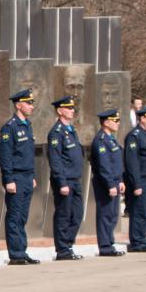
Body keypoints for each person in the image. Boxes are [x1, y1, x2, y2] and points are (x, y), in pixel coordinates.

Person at [0, 88, 40, 265]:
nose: (31, 106)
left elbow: (28, 154)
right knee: (14, 216)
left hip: (26, 176)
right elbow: (5, 155)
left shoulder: (27, 125)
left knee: (22, 216)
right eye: (28, 103)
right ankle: (15, 253)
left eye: (32, 103)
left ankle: (21, 250)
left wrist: (32, 175)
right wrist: (8, 179)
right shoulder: (10, 127)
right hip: (15, 177)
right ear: (18, 105)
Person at [47, 95, 84, 261]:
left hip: (75, 180)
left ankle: (68, 244)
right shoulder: (56, 133)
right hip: (65, 181)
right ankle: (62, 249)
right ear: (60, 110)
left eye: (73, 108)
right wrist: (61, 182)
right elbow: (55, 160)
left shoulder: (71, 131)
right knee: (64, 214)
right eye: (68, 108)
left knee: (77, 214)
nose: (72, 110)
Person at [124, 105, 146, 252]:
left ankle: (142, 239)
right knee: (138, 212)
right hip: (141, 180)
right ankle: (137, 242)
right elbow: (132, 163)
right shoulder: (135, 136)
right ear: (143, 118)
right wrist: (136, 184)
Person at [91, 109, 125, 256]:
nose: (118, 123)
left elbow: (116, 163)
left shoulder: (111, 139)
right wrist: (110, 184)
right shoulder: (101, 140)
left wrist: (121, 180)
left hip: (115, 181)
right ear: (106, 122)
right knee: (105, 215)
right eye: (115, 120)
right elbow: (104, 166)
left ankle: (110, 243)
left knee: (112, 215)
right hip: (105, 183)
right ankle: (105, 247)